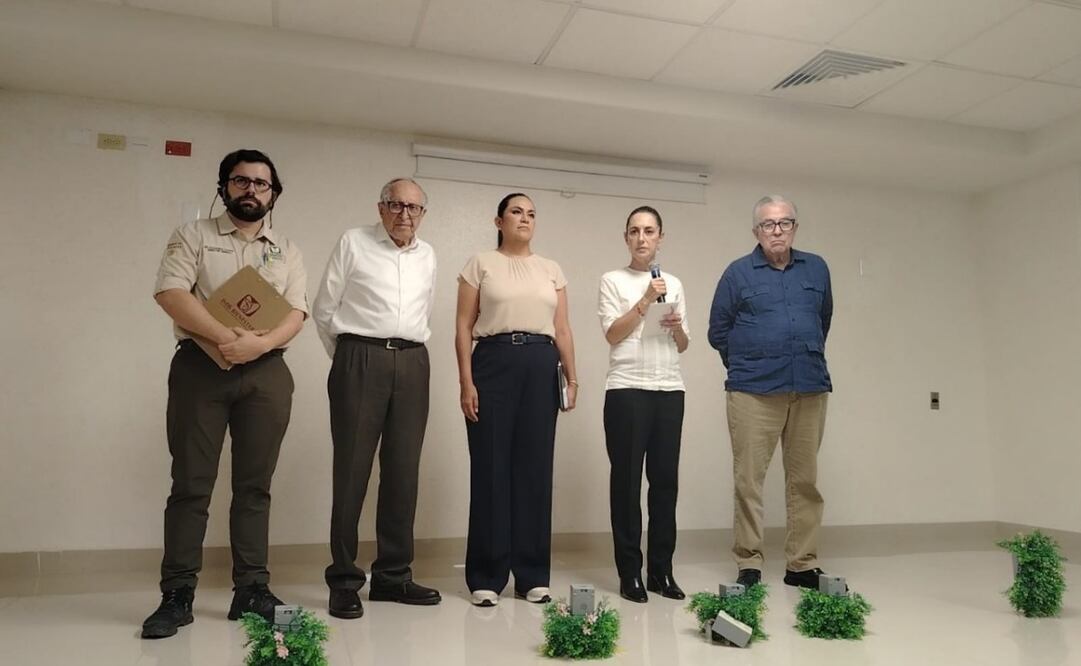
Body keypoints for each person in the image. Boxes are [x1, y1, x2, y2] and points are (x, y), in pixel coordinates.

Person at [142, 149, 308, 639]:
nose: (251, 190)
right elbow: (171, 294)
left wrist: (257, 343)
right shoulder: (193, 236)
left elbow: (296, 313)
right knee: (191, 484)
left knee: (255, 487)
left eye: (261, 183)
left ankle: (252, 591)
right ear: (224, 187)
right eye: (241, 181)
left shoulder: (288, 250)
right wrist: (224, 338)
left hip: (267, 372)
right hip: (201, 371)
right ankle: (177, 595)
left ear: (273, 193)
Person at [313, 177, 441, 620]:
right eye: (395, 205)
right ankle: (345, 580)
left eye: (414, 208)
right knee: (352, 471)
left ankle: (392, 576)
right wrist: (351, 357)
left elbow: (423, 311)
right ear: (381, 206)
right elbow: (324, 308)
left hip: (413, 361)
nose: (405, 214)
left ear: (423, 214)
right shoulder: (354, 242)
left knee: (404, 471)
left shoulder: (427, 255)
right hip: (360, 357)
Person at [454, 192, 578, 607]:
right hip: (493, 363)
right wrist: (466, 382)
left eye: (531, 214)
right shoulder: (480, 264)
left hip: (541, 366)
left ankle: (532, 574)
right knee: (491, 466)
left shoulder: (551, 269)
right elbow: (462, 326)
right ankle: (486, 576)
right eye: (516, 212)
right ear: (498, 221)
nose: (524, 219)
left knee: (534, 469)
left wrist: (572, 377)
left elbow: (563, 329)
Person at [707, 194, 836, 590]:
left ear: (795, 227)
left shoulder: (816, 268)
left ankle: (802, 564)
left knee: (805, 481)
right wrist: (751, 361)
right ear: (756, 232)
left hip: (809, 386)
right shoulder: (737, 273)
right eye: (768, 224)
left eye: (784, 223)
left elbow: (823, 319)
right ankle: (749, 562)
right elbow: (718, 332)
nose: (776, 230)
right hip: (753, 391)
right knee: (749, 480)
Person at [597, 205, 689, 603]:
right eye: (634, 231)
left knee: (665, 484)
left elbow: (683, 345)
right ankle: (629, 573)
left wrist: (677, 327)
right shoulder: (612, 280)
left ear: (660, 237)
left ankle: (662, 572)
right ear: (626, 237)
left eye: (649, 231)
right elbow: (612, 335)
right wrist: (644, 303)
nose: (642, 238)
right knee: (627, 482)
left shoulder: (674, 283)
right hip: (627, 389)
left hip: (669, 389)